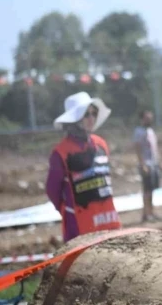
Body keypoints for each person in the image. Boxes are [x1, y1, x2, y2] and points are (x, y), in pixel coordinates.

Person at [46, 92, 121, 242]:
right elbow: (52, 190)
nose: (91, 118)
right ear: (74, 120)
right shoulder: (60, 152)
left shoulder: (101, 144)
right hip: (80, 226)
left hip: (108, 221)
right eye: (86, 114)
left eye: (94, 113)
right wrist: (68, 211)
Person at [133, 110, 162, 223]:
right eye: (147, 118)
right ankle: (146, 213)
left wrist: (159, 162)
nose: (149, 120)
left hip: (153, 164)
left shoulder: (151, 131)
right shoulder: (139, 132)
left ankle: (151, 212)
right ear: (142, 119)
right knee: (147, 190)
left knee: (152, 190)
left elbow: (155, 148)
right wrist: (143, 164)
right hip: (146, 164)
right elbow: (138, 148)